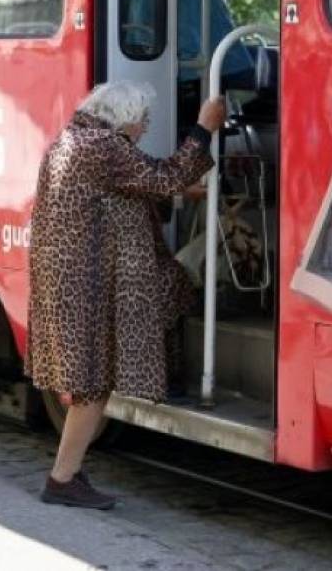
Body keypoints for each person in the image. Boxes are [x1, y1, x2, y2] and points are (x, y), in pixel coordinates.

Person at [27, 82, 226, 510]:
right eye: (144, 121)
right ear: (125, 118)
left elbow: (129, 186)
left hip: (74, 282)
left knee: (92, 381)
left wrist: (170, 190)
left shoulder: (73, 138)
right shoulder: (103, 145)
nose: (144, 129)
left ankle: (69, 471)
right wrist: (204, 129)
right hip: (87, 286)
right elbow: (164, 174)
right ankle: (62, 479)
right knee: (93, 385)